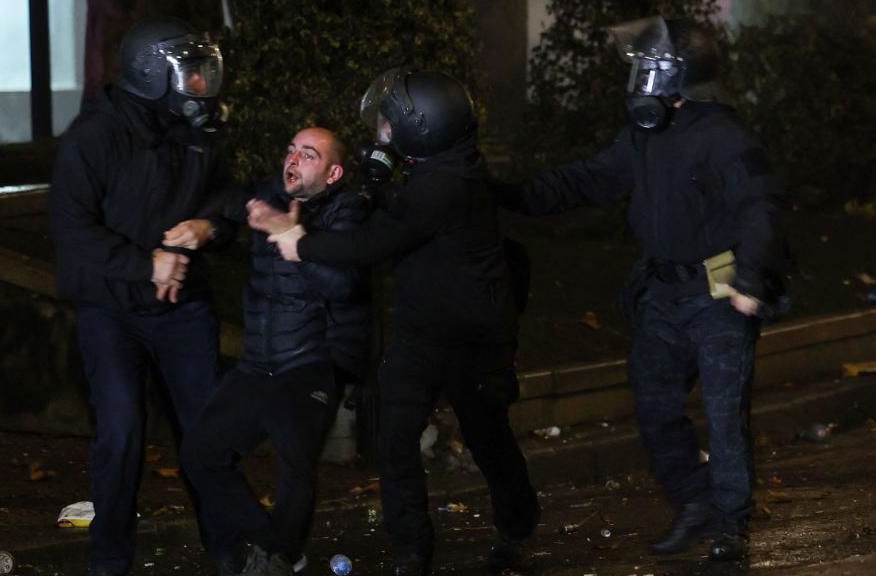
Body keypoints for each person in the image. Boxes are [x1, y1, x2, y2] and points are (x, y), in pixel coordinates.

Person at [492, 16, 790, 562]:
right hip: (662, 295)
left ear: (676, 77)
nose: (637, 82)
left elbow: (760, 208)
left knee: (725, 418)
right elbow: (585, 179)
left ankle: (730, 530)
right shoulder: (644, 135)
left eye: (647, 70)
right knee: (654, 405)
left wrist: (752, 277)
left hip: (720, 292)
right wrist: (506, 194)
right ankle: (696, 503)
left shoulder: (724, 137)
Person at [259, 69, 541, 576]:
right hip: (420, 331)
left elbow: (375, 243)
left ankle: (516, 529)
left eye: (391, 123)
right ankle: (411, 548)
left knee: (487, 437)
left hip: (472, 338)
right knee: (394, 439)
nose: (383, 131)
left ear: (423, 127)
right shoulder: (439, 168)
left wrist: (302, 244)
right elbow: (402, 208)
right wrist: (377, 183)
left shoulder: (447, 184)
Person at [49, 16, 233, 576]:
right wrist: (145, 262)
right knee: (123, 429)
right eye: (190, 75)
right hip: (111, 307)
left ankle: (229, 552)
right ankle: (109, 561)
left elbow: (229, 198)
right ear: (153, 75)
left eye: (205, 74)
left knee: (206, 431)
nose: (201, 86)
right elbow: (72, 231)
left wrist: (209, 227)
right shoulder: (94, 138)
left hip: (180, 307)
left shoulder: (200, 131)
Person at [180, 127, 369, 576]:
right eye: (290, 151)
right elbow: (227, 202)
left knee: (296, 463)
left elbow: (344, 286)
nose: (293, 160)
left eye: (308, 155)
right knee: (199, 455)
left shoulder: (347, 211)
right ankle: (277, 547)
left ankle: (276, 559)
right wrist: (218, 221)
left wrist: (298, 240)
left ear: (333, 172)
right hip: (255, 366)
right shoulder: (270, 197)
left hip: (307, 364)